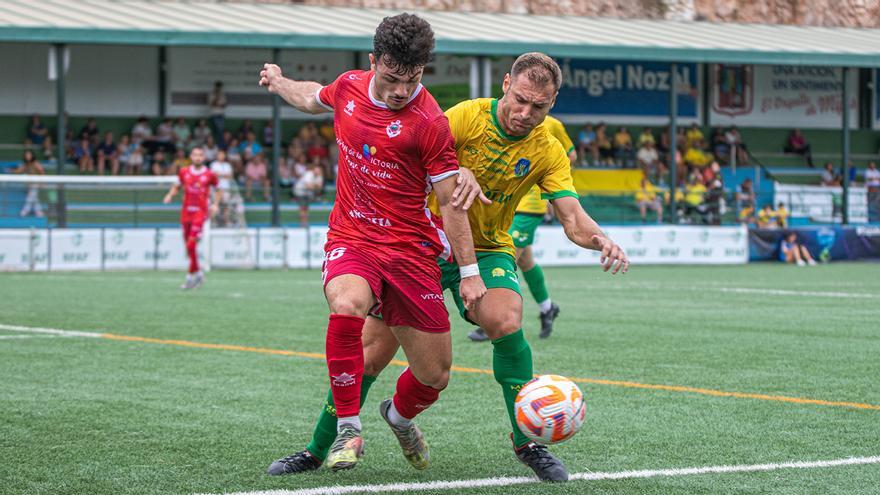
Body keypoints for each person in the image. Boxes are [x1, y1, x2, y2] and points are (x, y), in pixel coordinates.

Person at [278, 53, 629, 483]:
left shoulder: (548, 150)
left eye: (539, 107)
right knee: (371, 357)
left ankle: (524, 441)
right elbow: (424, 147)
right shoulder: (465, 116)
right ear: (505, 84)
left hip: (488, 249)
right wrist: (458, 168)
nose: (525, 113)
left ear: (552, 104)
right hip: (422, 244)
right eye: (520, 99)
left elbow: (572, 217)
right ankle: (316, 449)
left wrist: (601, 239)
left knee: (504, 321)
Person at [260, 13, 486, 474]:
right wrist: (280, 81)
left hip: (410, 250)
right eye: (392, 77)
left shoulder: (430, 122)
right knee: (347, 304)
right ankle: (347, 427)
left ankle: (399, 417)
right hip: (353, 237)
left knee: (434, 375)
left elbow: (451, 203)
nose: (402, 90)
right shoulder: (347, 88)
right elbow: (310, 96)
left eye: (413, 78)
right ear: (373, 63)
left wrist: (469, 273)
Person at [468, 114, 577, 342]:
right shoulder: (505, 121)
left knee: (507, 256)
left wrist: (551, 192)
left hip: (531, 204)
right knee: (526, 260)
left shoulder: (553, 125)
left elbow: (571, 155)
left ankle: (491, 317)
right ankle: (548, 308)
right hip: (508, 202)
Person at [162, 147, 221, 290]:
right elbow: (177, 186)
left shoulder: (210, 174)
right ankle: (198, 273)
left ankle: (190, 277)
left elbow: (218, 190)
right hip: (186, 212)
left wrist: (215, 204)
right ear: (191, 157)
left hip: (200, 213)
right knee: (189, 247)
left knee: (191, 244)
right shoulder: (184, 172)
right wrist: (170, 195)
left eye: (200, 155)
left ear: (204, 157)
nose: (198, 157)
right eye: (195, 155)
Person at [13, 150, 45, 217]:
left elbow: (42, 172)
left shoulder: (36, 163)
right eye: (26, 155)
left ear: (32, 155)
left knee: (30, 197)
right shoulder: (26, 164)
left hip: (36, 183)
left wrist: (42, 182)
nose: (28, 156)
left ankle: (25, 211)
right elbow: (19, 170)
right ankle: (39, 211)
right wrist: (11, 170)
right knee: (34, 198)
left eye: (29, 155)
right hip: (29, 184)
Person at [292, 162, 324, 226]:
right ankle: (302, 224)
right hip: (299, 191)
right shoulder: (308, 174)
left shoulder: (320, 176)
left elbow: (320, 187)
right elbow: (308, 186)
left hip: (307, 193)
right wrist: (315, 185)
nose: (317, 171)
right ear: (314, 169)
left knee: (306, 208)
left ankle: (305, 223)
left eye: (319, 170)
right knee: (303, 208)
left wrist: (313, 186)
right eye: (316, 169)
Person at [209, 150, 234, 227]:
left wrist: (219, 174)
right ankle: (213, 223)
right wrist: (224, 175)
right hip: (215, 190)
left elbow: (230, 176)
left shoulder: (228, 165)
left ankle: (227, 222)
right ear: (217, 156)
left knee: (226, 206)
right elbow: (213, 175)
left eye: (222, 155)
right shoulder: (213, 164)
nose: (221, 156)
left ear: (224, 156)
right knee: (214, 206)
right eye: (219, 155)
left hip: (226, 189)